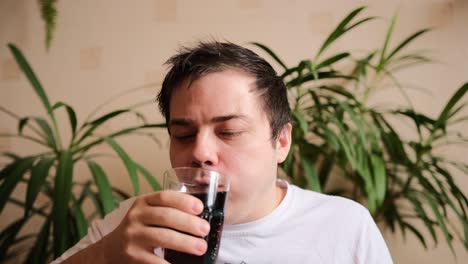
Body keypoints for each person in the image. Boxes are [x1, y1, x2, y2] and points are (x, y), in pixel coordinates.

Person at [52, 41, 393, 264]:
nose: (200, 152)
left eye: (228, 131)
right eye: (183, 134)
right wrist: (102, 254)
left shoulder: (345, 227)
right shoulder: (135, 224)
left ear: (282, 142)